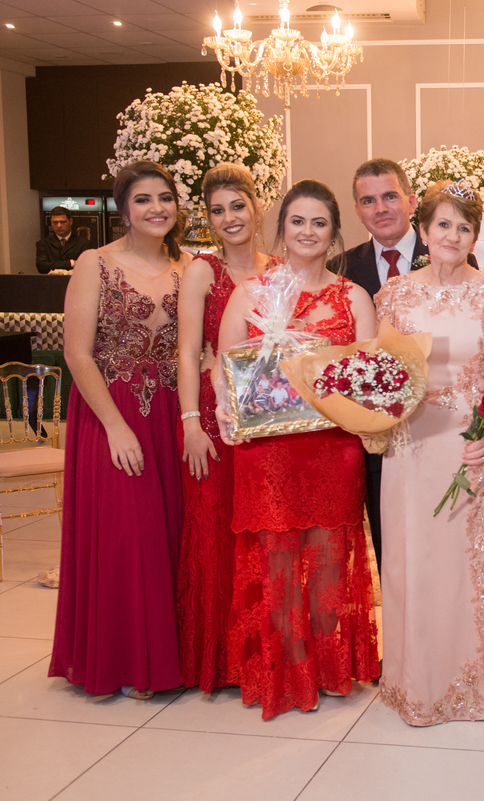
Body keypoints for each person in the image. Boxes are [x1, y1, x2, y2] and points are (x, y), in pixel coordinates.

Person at [217, 180, 381, 718]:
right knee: (277, 561)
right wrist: (226, 411)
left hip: (332, 447)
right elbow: (225, 369)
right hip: (268, 452)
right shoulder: (251, 293)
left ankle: (328, 666)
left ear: (334, 233)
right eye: (297, 221)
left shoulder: (353, 297)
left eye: (319, 223)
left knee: (330, 559)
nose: (307, 231)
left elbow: (368, 375)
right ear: (282, 228)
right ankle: (285, 668)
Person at [373, 179, 484, 725]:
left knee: (474, 565)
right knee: (416, 561)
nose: (453, 235)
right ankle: (420, 683)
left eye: (464, 227)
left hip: (476, 443)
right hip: (412, 446)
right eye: (443, 224)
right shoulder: (395, 295)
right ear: (423, 230)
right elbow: (380, 372)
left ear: (475, 237)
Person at [49, 161, 190, 699]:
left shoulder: (189, 268)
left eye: (164, 197)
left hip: (171, 414)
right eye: (143, 199)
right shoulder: (96, 263)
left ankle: (168, 658)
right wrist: (115, 426)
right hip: (111, 412)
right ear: (123, 209)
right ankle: (126, 661)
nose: (156, 208)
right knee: (126, 537)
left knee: (168, 534)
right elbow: (77, 354)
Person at [341, 159, 481, 568]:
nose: (381, 208)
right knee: (396, 550)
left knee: (453, 551)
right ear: (358, 211)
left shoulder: (450, 245)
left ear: (411, 202)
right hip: (381, 442)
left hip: (451, 434)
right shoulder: (343, 268)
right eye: (369, 200)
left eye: (390, 196)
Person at [175, 164, 278, 693]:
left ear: (257, 207)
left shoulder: (280, 269)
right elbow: (186, 353)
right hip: (215, 417)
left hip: (269, 417)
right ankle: (217, 659)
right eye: (218, 210)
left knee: (264, 533)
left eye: (237, 206)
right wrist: (191, 423)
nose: (229, 218)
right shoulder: (202, 272)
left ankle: (262, 653)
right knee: (216, 530)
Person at [36, 205, 96, 273]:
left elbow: (87, 266)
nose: (59, 226)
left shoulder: (84, 243)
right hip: (52, 279)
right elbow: (41, 266)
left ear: (70, 221)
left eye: (63, 222)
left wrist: (53, 265)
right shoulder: (43, 244)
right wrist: (71, 263)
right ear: (51, 222)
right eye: (55, 222)